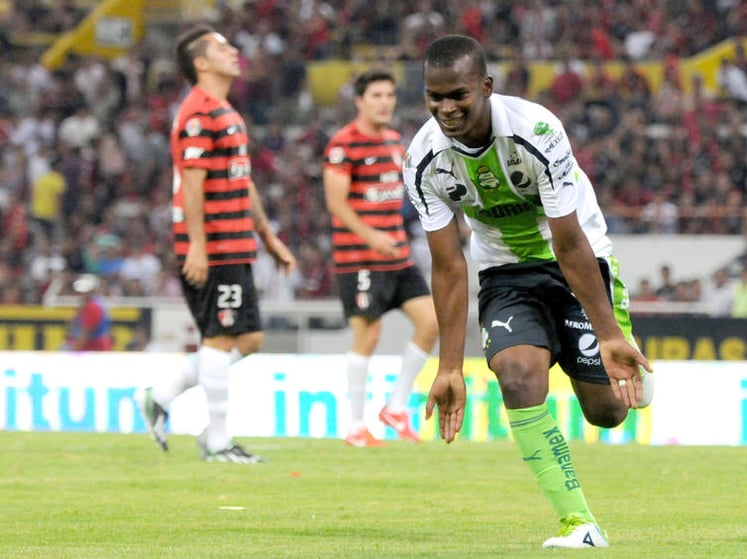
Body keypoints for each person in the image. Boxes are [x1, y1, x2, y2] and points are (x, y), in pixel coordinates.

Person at [403, 35, 653, 549]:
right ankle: (578, 523)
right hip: (505, 273)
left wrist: (605, 333)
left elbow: (568, 239)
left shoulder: (536, 131)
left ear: (486, 87)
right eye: (435, 97)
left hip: (575, 261)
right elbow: (449, 266)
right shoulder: (422, 159)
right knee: (516, 375)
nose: (446, 108)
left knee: (608, 411)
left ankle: (608, 343)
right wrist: (449, 366)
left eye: (458, 95)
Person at [134, 24, 296, 463]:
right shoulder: (198, 113)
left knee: (250, 338)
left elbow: (242, 183)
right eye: (222, 48)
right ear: (201, 63)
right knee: (221, 338)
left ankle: (161, 395)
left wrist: (268, 237)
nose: (234, 52)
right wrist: (198, 247)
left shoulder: (225, 111)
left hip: (236, 242)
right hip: (214, 245)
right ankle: (218, 440)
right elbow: (191, 186)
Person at [323, 69, 439, 447]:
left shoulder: (393, 142)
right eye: (376, 95)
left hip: (397, 256)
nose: (385, 102)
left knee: (431, 323)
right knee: (368, 335)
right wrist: (373, 236)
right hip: (359, 258)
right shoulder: (343, 145)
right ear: (359, 101)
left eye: (389, 95)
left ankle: (396, 407)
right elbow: (336, 204)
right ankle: (357, 426)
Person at [65, 274, 113, 351]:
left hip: (93, 349)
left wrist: (74, 351)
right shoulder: (96, 302)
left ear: (92, 291)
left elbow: (85, 334)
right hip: (96, 347)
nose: (80, 294)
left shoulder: (92, 307)